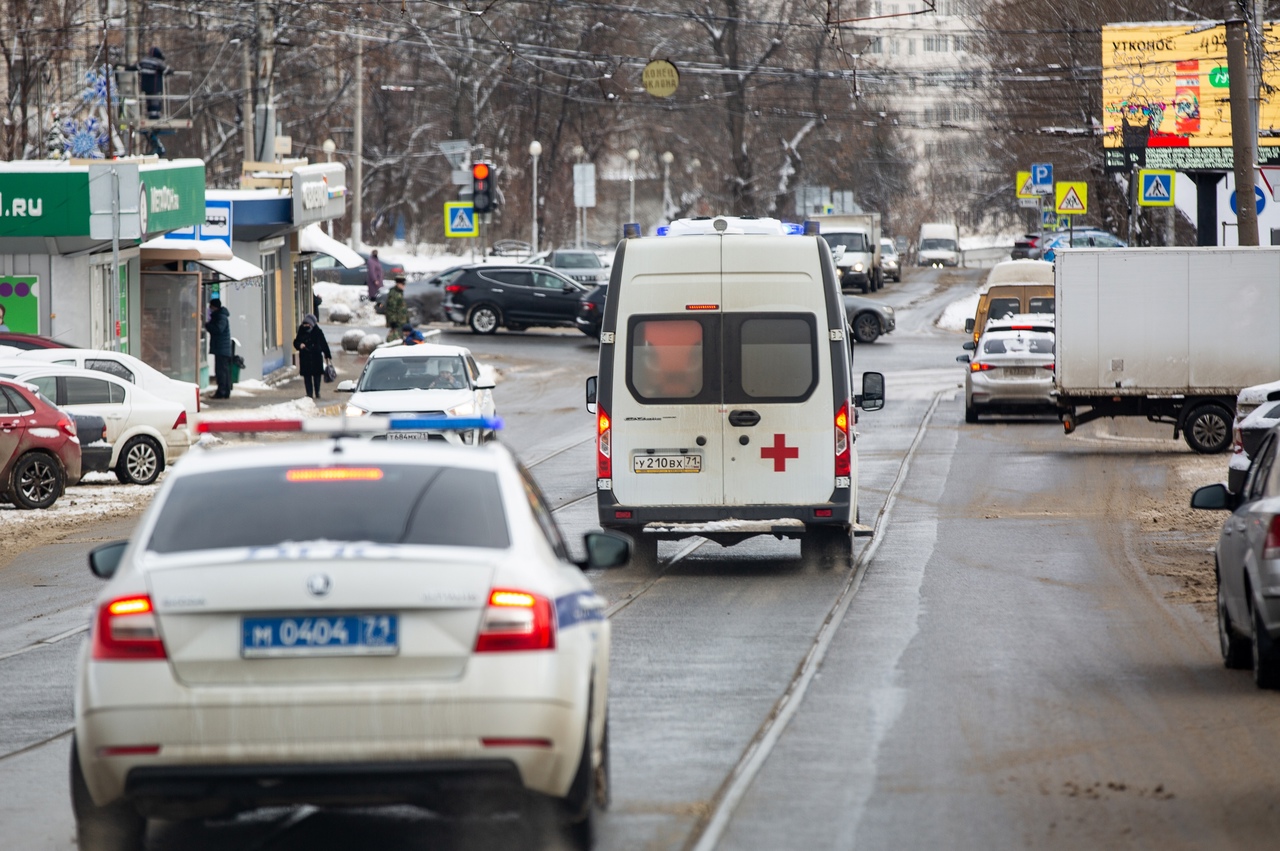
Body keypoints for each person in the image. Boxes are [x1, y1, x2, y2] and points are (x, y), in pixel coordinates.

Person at [293, 313, 332, 400]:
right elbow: (296, 342)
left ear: (312, 324)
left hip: (316, 357)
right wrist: (300, 345)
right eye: (304, 323)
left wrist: (327, 355)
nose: (306, 325)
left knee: (317, 376)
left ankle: (317, 392)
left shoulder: (318, 331)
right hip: (305, 357)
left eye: (308, 324)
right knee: (307, 377)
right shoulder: (301, 330)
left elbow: (323, 343)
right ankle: (309, 393)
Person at [205, 298, 233, 399]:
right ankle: (225, 391)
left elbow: (218, 329)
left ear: (214, 307)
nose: (210, 309)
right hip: (222, 348)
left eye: (211, 307)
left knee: (221, 371)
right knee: (223, 371)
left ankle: (222, 391)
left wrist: (207, 325)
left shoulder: (221, 317)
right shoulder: (221, 316)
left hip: (222, 349)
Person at [384, 275, 409, 341]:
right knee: (395, 338)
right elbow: (391, 309)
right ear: (398, 284)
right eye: (402, 284)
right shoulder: (394, 294)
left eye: (404, 284)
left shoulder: (399, 292)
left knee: (400, 337)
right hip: (397, 321)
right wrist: (393, 321)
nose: (404, 286)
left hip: (401, 321)